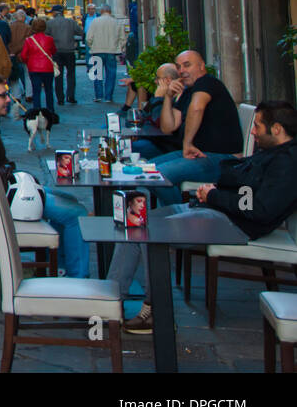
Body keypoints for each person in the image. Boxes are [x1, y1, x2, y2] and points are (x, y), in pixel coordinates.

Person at [110, 101, 297, 334]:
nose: (252, 131)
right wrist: (215, 188)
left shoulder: (286, 163)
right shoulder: (270, 153)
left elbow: (260, 209)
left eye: (257, 126)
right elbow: (241, 180)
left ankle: (156, 310)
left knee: (148, 231)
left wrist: (215, 195)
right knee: (136, 223)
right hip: (219, 211)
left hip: (235, 224)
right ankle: (111, 300)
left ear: (277, 129)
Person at [0, 75, 91, 278]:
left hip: (2, 196)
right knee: (76, 213)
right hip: (3, 202)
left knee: (68, 200)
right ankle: (79, 278)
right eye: (3, 95)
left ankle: (60, 268)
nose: (8, 99)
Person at [149, 49, 244, 204]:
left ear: (201, 66)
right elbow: (168, 127)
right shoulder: (188, 91)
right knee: (146, 171)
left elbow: (197, 108)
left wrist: (187, 144)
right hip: (199, 154)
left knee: (158, 175)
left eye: (187, 65)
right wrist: (167, 97)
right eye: (179, 67)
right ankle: (175, 214)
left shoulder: (208, 82)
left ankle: (178, 218)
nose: (182, 71)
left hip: (224, 159)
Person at [129, 63, 181, 157]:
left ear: (167, 80)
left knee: (131, 147)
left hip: (164, 145)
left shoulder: (177, 97)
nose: (155, 81)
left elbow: (158, 121)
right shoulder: (161, 92)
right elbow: (145, 115)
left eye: (158, 78)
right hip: (151, 138)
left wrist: (158, 99)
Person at [85, 4, 123, 102]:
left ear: (101, 11)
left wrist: (91, 46)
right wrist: (119, 47)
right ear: (110, 11)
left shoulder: (95, 21)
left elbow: (89, 38)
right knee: (111, 74)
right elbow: (122, 38)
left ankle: (99, 95)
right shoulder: (116, 22)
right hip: (111, 51)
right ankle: (108, 97)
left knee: (98, 74)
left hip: (97, 50)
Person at [46, 5, 82, 104]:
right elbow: (80, 32)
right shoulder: (71, 22)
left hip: (56, 52)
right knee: (71, 74)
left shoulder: (49, 23)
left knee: (58, 75)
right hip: (69, 51)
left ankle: (60, 99)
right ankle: (71, 96)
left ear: (55, 13)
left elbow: (46, 35)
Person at [21, 17, 58, 113]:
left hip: (34, 67)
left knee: (36, 91)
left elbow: (23, 55)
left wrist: (28, 62)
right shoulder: (49, 39)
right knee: (49, 90)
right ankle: (50, 110)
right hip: (47, 67)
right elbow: (53, 51)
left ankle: (37, 111)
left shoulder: (29, 40)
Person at [8, 9, 30, 99]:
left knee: (14, 77)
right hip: (24, 54)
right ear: (24, 17)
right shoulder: (27, 27)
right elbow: (28, 41)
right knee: (27, 75)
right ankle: (29, 94)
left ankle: (16, 96)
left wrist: (12, 51)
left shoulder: (10, 27)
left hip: (12, 54)